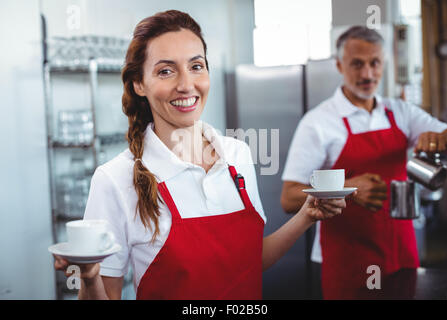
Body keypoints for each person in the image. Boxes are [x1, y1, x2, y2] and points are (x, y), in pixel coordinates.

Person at [53, 10, 347, 300]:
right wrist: (90, 281)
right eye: (165, 71)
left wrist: (308, 215)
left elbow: (248, 262)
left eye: (196, 66)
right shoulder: (115, 179)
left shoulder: (237, 155)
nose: (186, 84)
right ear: (139, 84)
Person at [280, 26, 447, 300]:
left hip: (401, 250)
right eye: (357, 64)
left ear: (384, 63)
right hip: (348, 260)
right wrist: (349, 188)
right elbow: (288, 198)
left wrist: (441, 136)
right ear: (339, 65)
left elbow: (446, 135)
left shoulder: (400, 112)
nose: (368, 74)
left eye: (375, 63)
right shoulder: (318, 122)